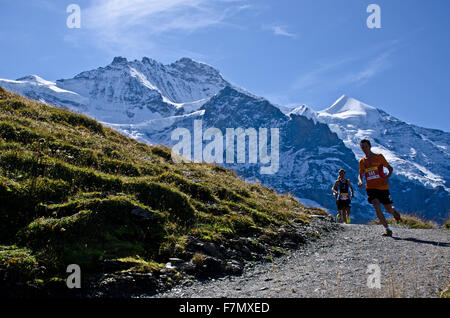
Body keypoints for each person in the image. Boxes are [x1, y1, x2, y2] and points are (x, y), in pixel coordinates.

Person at [357, 139, 402, 236]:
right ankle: (387, 229)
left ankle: (394, 212)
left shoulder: (379, 157)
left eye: (365, 146)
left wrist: (387, 177)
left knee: (388, 209)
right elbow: (361, 174)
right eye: (362, 147)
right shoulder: (362, 161)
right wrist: (360, 181)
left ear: (369, 146)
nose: (364, 149)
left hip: (383, 187)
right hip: (370, 188)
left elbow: (390, 168)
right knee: (376, 205)